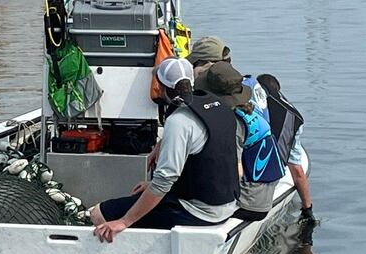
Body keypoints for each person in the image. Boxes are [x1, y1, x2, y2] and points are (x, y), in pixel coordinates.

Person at [90, 57, 240, 241]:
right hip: (226, 204)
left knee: (99, 214)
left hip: (199, 213)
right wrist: (160, 147)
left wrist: (124, 221)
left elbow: (164, 181)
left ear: (160, 87)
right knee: (144, 197)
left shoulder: (178, 121)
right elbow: (205, 157)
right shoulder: (219, 106)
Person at [203, 62, 283, 222]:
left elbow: (236, 172)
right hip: (263, 196)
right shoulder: (251, 113)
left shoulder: (234, 123)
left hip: (248, 204)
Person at [257, 73, 316, 225]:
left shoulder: (252, 105)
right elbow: (297, 172)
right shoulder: (294, 117)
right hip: (270, 176)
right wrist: (307, 208)